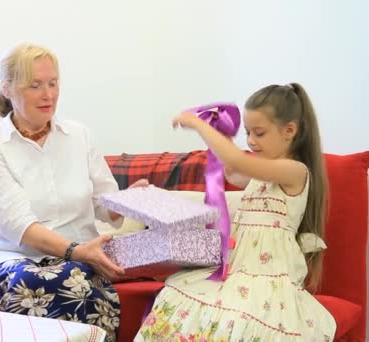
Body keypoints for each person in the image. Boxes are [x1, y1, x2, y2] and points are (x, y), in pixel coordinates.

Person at [135, 83, 335, 341]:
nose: (250, 141)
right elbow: (231, 171)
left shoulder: (294, 171)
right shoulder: (261, 174)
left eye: (259, 133)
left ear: (289, 131)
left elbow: (236, 162)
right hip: (238, 270)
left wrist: (199, 125)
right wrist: (221, 132)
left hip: (266, 277)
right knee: (175, 295)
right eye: (248, 132)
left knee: (236, 318)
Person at [0, 42, 147, 341]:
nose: (49, 94)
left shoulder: (78, 136)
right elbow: (21, 227)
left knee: (74, 278)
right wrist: (77, 251)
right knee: (43, 282)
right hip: (15, 258)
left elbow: (105, 204)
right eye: (35, 85)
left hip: (79, 258)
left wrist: (130, 200)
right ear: (7, 89)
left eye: (53, 83)